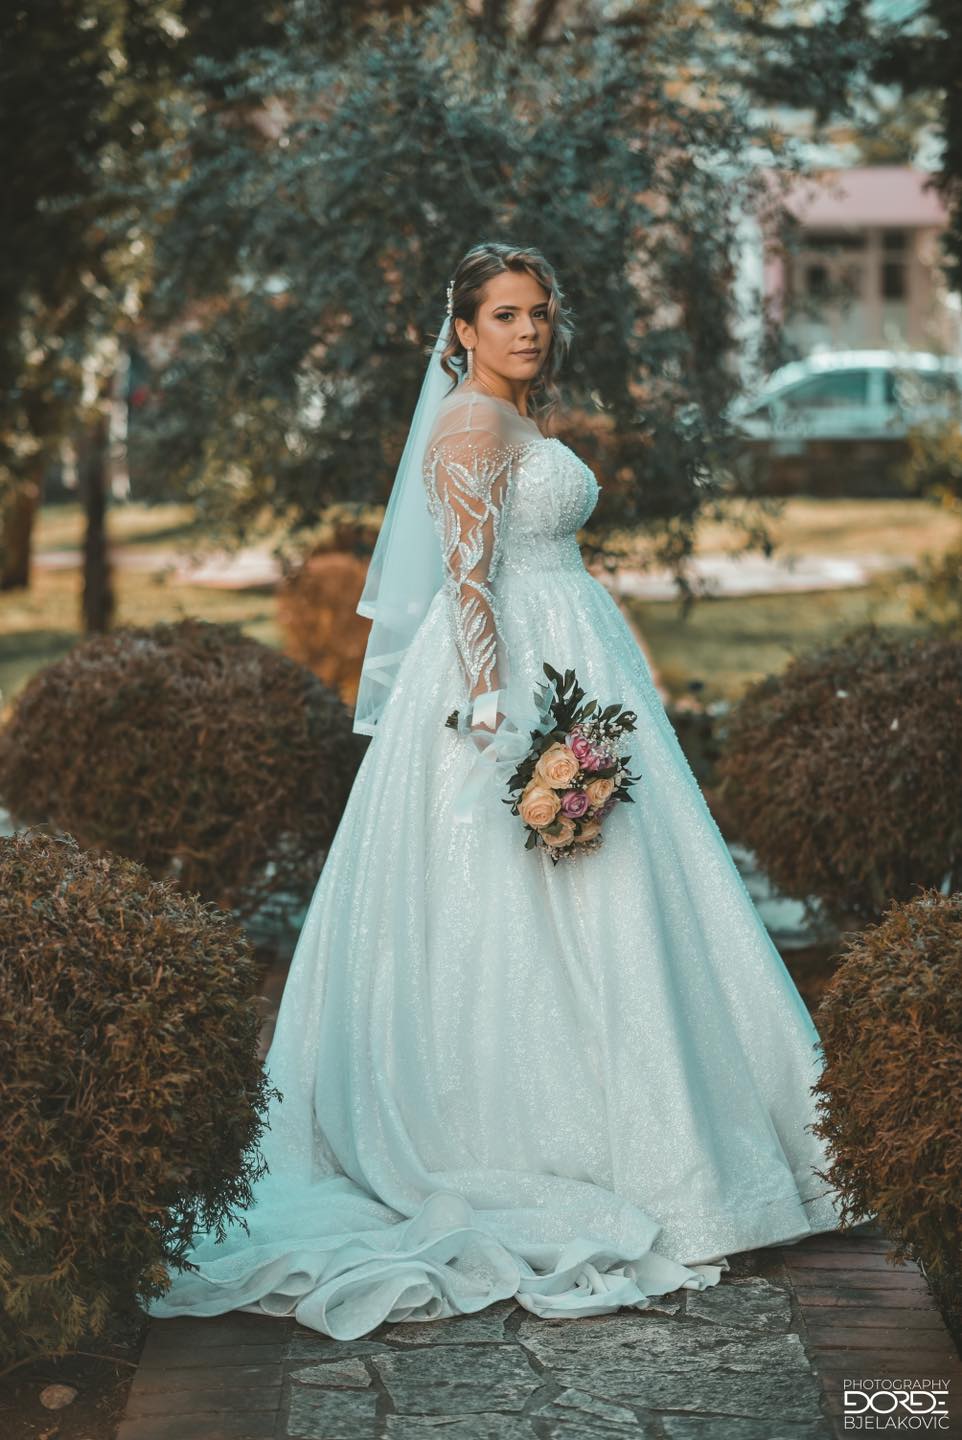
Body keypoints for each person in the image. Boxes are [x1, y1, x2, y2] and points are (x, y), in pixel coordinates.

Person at [148, 241, 857, 1343]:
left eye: (538, 312)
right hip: (514, 680)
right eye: (506, 315)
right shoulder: (471, 422)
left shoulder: (512, 416)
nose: (528, 331)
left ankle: (685, 1142)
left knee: (627, 898)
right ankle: (565, 1145)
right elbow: (469, 577)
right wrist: (497, 713)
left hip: (573, 649)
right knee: (526, 900)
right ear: (464, 330)